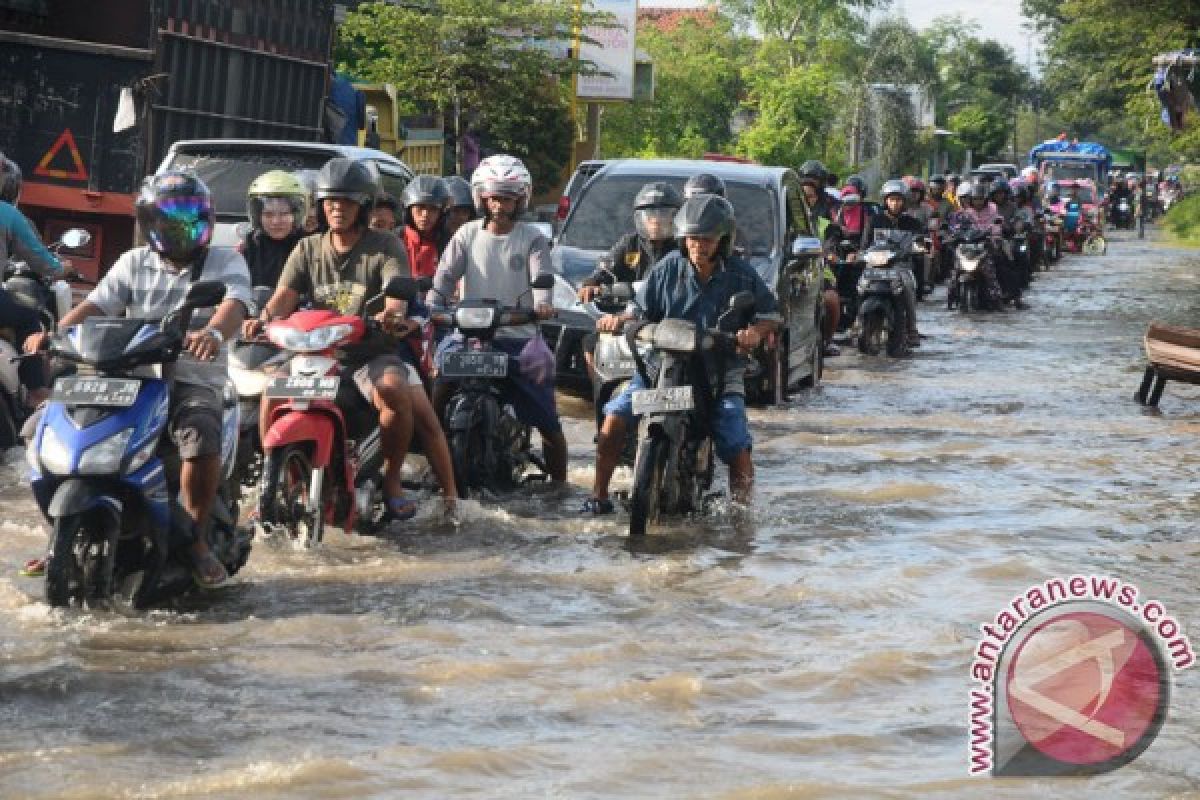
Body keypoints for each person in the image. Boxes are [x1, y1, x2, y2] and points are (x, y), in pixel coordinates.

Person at [23, 172, 252, 586]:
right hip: (125, 376)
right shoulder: (133, 261)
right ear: (151, 224)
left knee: (199, 433)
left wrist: (214, 334)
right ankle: (57, 535)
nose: (180, 227)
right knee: (39, 427)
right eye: (169, 218)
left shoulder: (226, 261)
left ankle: (195, 542)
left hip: (191, 377)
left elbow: (234, 304)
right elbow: (95, 304)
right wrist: (56, 335)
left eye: (189, 217)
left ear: (207, 221)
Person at [245, 157, 430, 522]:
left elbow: (397, 290)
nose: (336, 208)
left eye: (345, 201)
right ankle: (271, 481)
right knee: (270, 394)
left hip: (368, 354)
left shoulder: (385, 246)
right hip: (314, 351)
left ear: (362, 205)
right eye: (330, 201)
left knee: (394, 390)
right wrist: (263, 319)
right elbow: (285, 295)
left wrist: (390, 314)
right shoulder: (307, 248)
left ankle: (391, 482)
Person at [581, 194, 779, 515]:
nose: (698, 245)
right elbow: (639, 310)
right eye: (692, 239)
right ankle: (598, 494)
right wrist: (619, 320)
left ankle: (743, 514)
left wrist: (754, 332)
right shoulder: (666, 269)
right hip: (661, 364)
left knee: (733, 434)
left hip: (717, 369)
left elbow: (772, 314)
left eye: (706, 239)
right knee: (614, 416)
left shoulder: (741, 274)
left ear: (722, 240)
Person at [429, 154, 568, 483]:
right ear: (481, 198)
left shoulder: (532, 238)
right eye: (493, 198)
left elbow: (542, 278)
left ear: (520, 199)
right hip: (469, 334)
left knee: (545, 412)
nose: (499, 206)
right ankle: (431, 440)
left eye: (506, 199)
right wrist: (434, 305)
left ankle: (560, 486)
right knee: (440, 375)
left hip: (517, 336)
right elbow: (445, 277)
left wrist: (543, 304)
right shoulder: (466, 234)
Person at [0, 153, 66, 409]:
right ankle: (37, 390)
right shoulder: (8, 214)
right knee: (28, 318)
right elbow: (42, 261)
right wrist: (63, 268)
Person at [863, 180, 923, 346]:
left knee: (908, 287)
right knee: (860, 285)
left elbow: (921, 243)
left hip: (901, 266)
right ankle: (857, 323)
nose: (895, 203)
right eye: (892, 199)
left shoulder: (912, 223)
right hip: (875, 265)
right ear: (885, 201)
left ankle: (912, 329)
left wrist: (921, 247)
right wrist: (856, 254)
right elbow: (864, 245)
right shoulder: (874, 221)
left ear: (904, 201)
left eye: (898, 200)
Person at [239, 170, 308, 289]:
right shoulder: (249, 246)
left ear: (296, 215)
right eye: (268, 215)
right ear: (258, 216)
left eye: (284, 214)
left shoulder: (308, 246)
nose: (276, 221)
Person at [952, 181, 1008, 309]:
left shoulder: (992, 209)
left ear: (985, 199)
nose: (978, 202)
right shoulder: (965, 212)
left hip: (985, 246)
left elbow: (997, 224)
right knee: (955, 270)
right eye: (975, 199)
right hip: (968, 247)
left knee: (990, 272)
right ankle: (951, 295)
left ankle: (996, 298)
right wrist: (954, 234)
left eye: (980, 199)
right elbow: (957, 227)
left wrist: (995, 234)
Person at [400, 176, 449, 278]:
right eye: (420, 207)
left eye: (433, 209)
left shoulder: (449, 243)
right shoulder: (395, 239)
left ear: (441, 213)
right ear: (409, 210)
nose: (425, 214)